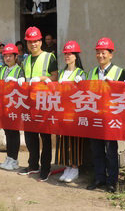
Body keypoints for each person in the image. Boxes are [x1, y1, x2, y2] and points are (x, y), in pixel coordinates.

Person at [87, 37, 125, 193]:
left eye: (103, 52)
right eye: (98, 52)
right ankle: (99, 178)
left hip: (111, 118)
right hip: (95, 117)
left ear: (111, 54)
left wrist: (114, 85)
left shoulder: (120, 71)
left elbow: (124, 95)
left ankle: (112, 181)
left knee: (111, 151)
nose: (100, 55)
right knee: (96, 150)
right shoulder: (91, 72)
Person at [19, 26, 58, 181]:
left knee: (45, 137)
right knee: (30, 136)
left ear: (40, 42)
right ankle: (33, 165)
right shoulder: (26, 59)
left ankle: (46, 168)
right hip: (29, 102)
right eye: (30, 41)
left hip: (44, 102)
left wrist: (41, 79)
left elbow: (55, 76)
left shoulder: (49, 57)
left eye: (35, 41)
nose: (33, 44)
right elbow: (24, 77)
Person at [55, 40, 86, 183]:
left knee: (74, 141)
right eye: (66, 54)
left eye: (70, 54)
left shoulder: (81, 73)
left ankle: (75, 168)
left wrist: (81, 82)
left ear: (76, 56)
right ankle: (67, 166)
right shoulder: (62, 72)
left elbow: (84, 92)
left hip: (75, 112)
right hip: (63, 111)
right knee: (64, 140)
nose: (67, 56)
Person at [0, 43, 25, 171]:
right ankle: (9, 157)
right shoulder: (3, 70)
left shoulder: (19, 70)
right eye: (5, 56)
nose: (7, 58)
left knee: (14, 133)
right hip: (3, 105)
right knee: (7, 132)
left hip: (14, 106)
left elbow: (23, 88)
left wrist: (19, 82)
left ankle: (14, 159)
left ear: (16, 57)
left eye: (10, 56)